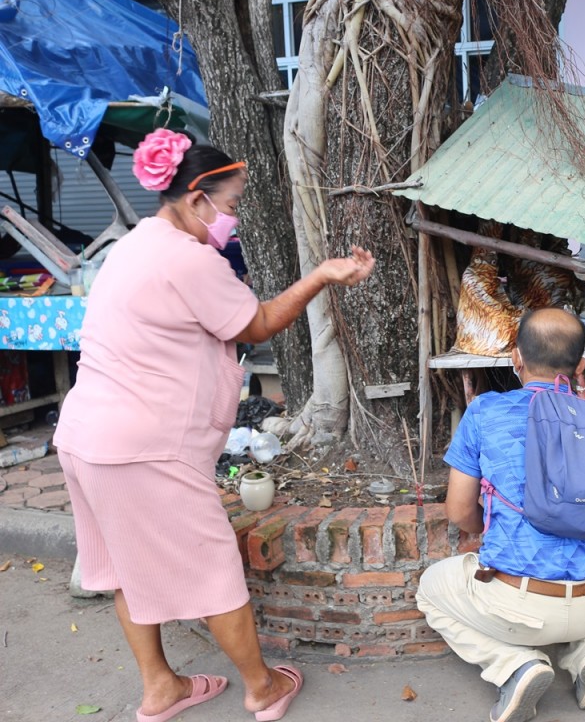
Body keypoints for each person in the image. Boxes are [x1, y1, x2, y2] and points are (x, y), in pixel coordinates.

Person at [53, 128, 376, 722]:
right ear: (196, 197)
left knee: (128, 565)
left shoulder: (135, 245)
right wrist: (321, 277)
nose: (232, 218)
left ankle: (160, 688)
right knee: (213, 566)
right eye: (229, 206)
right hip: (144, 445)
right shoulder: (186, 256)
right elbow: (255, 325)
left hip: (84, 436)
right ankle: (262, 686)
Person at [416, 308, 585, 722]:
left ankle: (514, 665)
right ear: (581, 366)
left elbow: (458, 512)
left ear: (516, 358)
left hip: (516, 603)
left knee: (431, 587)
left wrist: (495, 534)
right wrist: (582, 530)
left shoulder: (486, 412)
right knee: (574, 608)